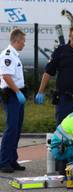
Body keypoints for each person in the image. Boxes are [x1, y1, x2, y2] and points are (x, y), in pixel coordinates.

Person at [0, 28, 26, 173]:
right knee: (11, 129)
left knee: (16, 129)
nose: (24, 44)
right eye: (23, 41)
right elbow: (6, 76)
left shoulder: (15, 55)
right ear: (16, 40)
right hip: (11, 94)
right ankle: (3, 161)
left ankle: (12, 159)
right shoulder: (8, 55)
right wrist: (17, 92)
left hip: (17, 94)